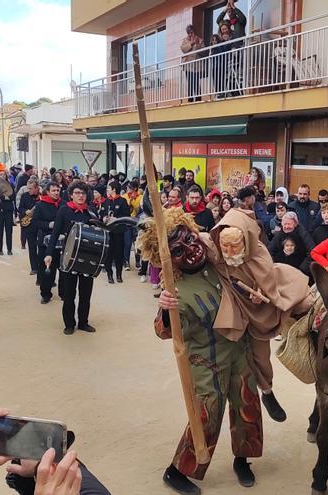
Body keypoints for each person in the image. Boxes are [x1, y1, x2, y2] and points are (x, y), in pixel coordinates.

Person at [139, 209, 262, 494]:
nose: (190, 250)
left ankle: (242, 459)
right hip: (207, 362)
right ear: (168, 260)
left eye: (189, 239)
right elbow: (162, 331)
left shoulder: (216, 263)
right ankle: (178, 470)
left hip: (238, 351)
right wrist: (166, 309)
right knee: (208, 415)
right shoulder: (177, 291)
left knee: (247, 406)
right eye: (178, 250)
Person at [204, 208, 312, 422]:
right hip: (234, 305)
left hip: (263, 305)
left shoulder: (259, 252)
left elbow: (268, 278)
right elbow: (196, 239)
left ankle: (268, 391)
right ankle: (265, 391)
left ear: (246, 241)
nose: (228, 251)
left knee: (263, 354)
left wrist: (262, 291)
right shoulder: (215, 251)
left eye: (234, 246)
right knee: (241, 357)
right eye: (224, 246)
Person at [46, 181, 98, 334]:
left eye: (83, 193)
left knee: (85, 293)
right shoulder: (63, 211)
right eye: (77, 193)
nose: (80, 196)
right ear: (71, 195)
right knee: (69, 294)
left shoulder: (91, 211)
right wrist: (49, 253)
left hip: (88, 258)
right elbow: (55, 233)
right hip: (68, 258)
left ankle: (83, 322)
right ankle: (69, 324)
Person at [35, 183, 63, 303]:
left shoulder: (64, 204)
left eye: (58, 190)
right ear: (47, 192)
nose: (56, 192)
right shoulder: (40, 205)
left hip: (62, 241)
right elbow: (35, 222)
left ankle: (64, 293)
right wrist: (48, 225)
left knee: (63, 269)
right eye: (53, 190)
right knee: (47, 269)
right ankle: (46, 294)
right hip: (46, 242)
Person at [101, 182, 130, 284]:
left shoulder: (123, 201)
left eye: (109, 188)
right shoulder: (106, 202)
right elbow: (102, 214)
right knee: (108, 254)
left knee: (119, 254)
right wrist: (104, 218)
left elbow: (127, 215)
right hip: (108, 231)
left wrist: (116, 219)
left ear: (114, 189)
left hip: (119, 231)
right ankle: (109, 274)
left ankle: (118, 274)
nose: (107, 190)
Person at [20, 178, 41, 276]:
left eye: (31, 188)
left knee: (41, 247)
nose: (29, 190)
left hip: (40, 224)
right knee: (32, 247)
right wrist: (25, 211)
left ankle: (41, 266)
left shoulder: (42, 196)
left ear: (37, 188)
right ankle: (34, 268)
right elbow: (20, 208)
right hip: (29, 224)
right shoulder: (24, 196)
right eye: (28, 188)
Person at [181, 24, 206, 103]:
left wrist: (198, 44)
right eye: (189, 33)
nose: (191, 34)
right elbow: (183, 49)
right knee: (190, 82)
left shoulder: (200, 40)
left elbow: (203, 52)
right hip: (188, 65)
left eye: (192, 32)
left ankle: (198, 98)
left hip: (197, 65)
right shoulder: (185, 40)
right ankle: (190, 99)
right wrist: (191, 43)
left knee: (196, 82)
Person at [0, 171, 16, 256]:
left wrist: (3, 198)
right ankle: (0, 249)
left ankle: (9, 249)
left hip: (8, 210)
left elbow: (12, 197)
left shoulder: (10, 185)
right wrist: (5, 197)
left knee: (9, 231)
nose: (2, 176)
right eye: (0, 174)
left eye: (4, 174)